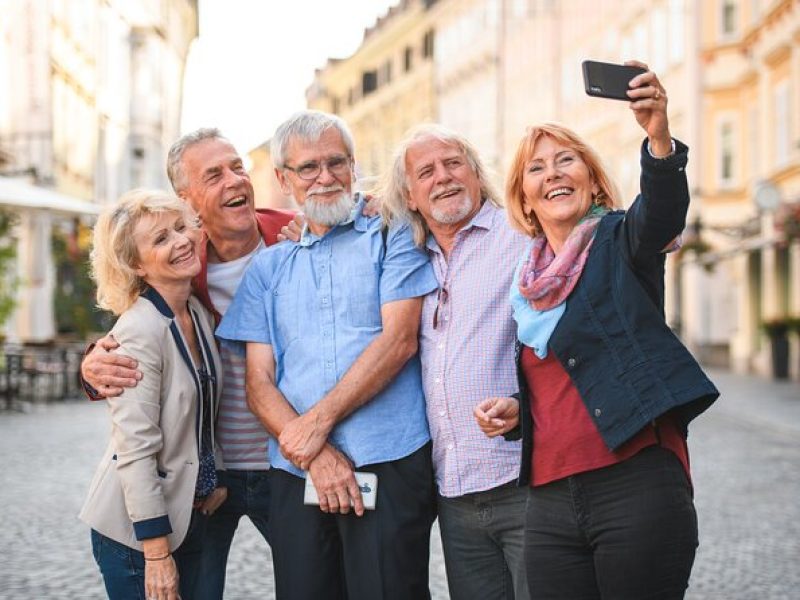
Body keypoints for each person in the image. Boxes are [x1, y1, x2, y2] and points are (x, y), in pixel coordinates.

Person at [474, 62, 719, 599]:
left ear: (590, 177)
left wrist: (657, 137)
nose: (554, 173)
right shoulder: (527, 285)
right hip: (548, 498)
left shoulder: (618, 240)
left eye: (567, 161)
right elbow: (562, 379)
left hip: (634, 482)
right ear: (525, 196)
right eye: (537, 168)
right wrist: (519, 410)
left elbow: (661, 214)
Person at [216, 109, 438, 600]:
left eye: (336, 162)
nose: (325, 177)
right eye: (308, 168)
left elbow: (399, 341)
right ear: (283, 179)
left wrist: (316, 425)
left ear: (354, 165)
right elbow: (259, 383)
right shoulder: (269, 267)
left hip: (389, 455)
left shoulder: (392, 233)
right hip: (297, 472)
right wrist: (315, 452)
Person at [81, 128, 294, 599]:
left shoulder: (294, 236)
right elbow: (132, 352)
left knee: (318, 582)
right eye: (213, 174)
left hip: (278, 466)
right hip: (180, 499)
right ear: (189, 199)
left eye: (238, 167)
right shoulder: (179, 273)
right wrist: (92, 369)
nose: (234, 181)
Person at [380, 124, 530, 600]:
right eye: (426, 172)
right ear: (410, 194)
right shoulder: (407, 256)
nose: (443, 178)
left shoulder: (521, 233)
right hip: (454, 491)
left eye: (453, 164)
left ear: (476, 173)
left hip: (526, 478)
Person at [79, 189, 223, 600]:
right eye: (160, 239)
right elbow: (136, 447)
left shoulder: (193, 311)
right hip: (135, 536)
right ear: (136, 264)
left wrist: (215, 475)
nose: (180, 241)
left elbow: (205, 405)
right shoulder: (138, 331)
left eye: (181, 228)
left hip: (186, 516)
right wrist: (156, 555)